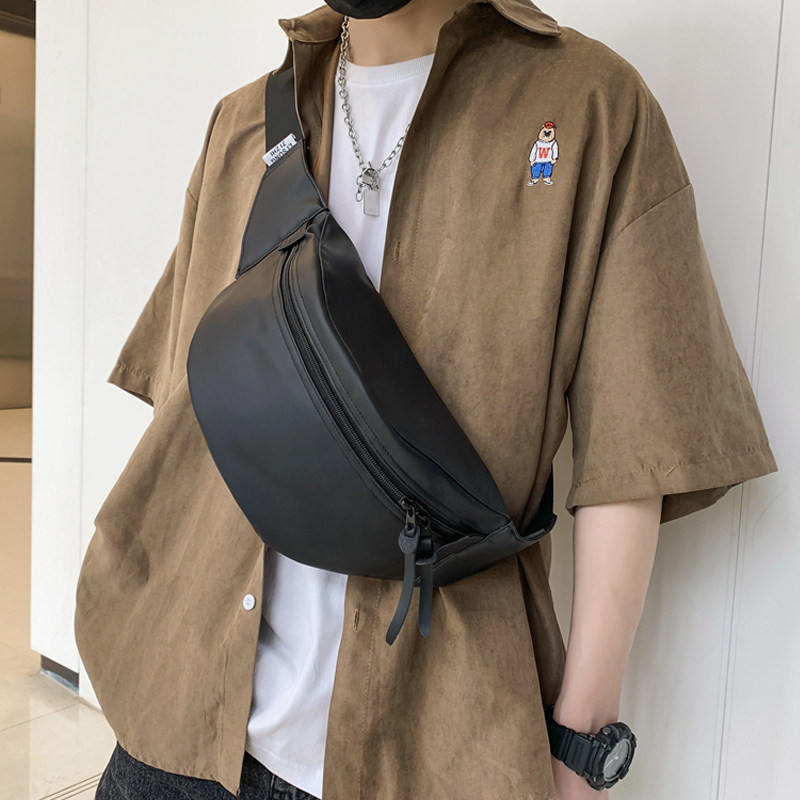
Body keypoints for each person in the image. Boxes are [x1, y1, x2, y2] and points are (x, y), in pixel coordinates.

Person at [80, 1, 778, 799]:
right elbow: (186, 408)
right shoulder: (243, 123)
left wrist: (583, 748)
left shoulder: (590, 108)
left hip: (434, 744)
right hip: (179, 716)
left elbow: (635, 445)